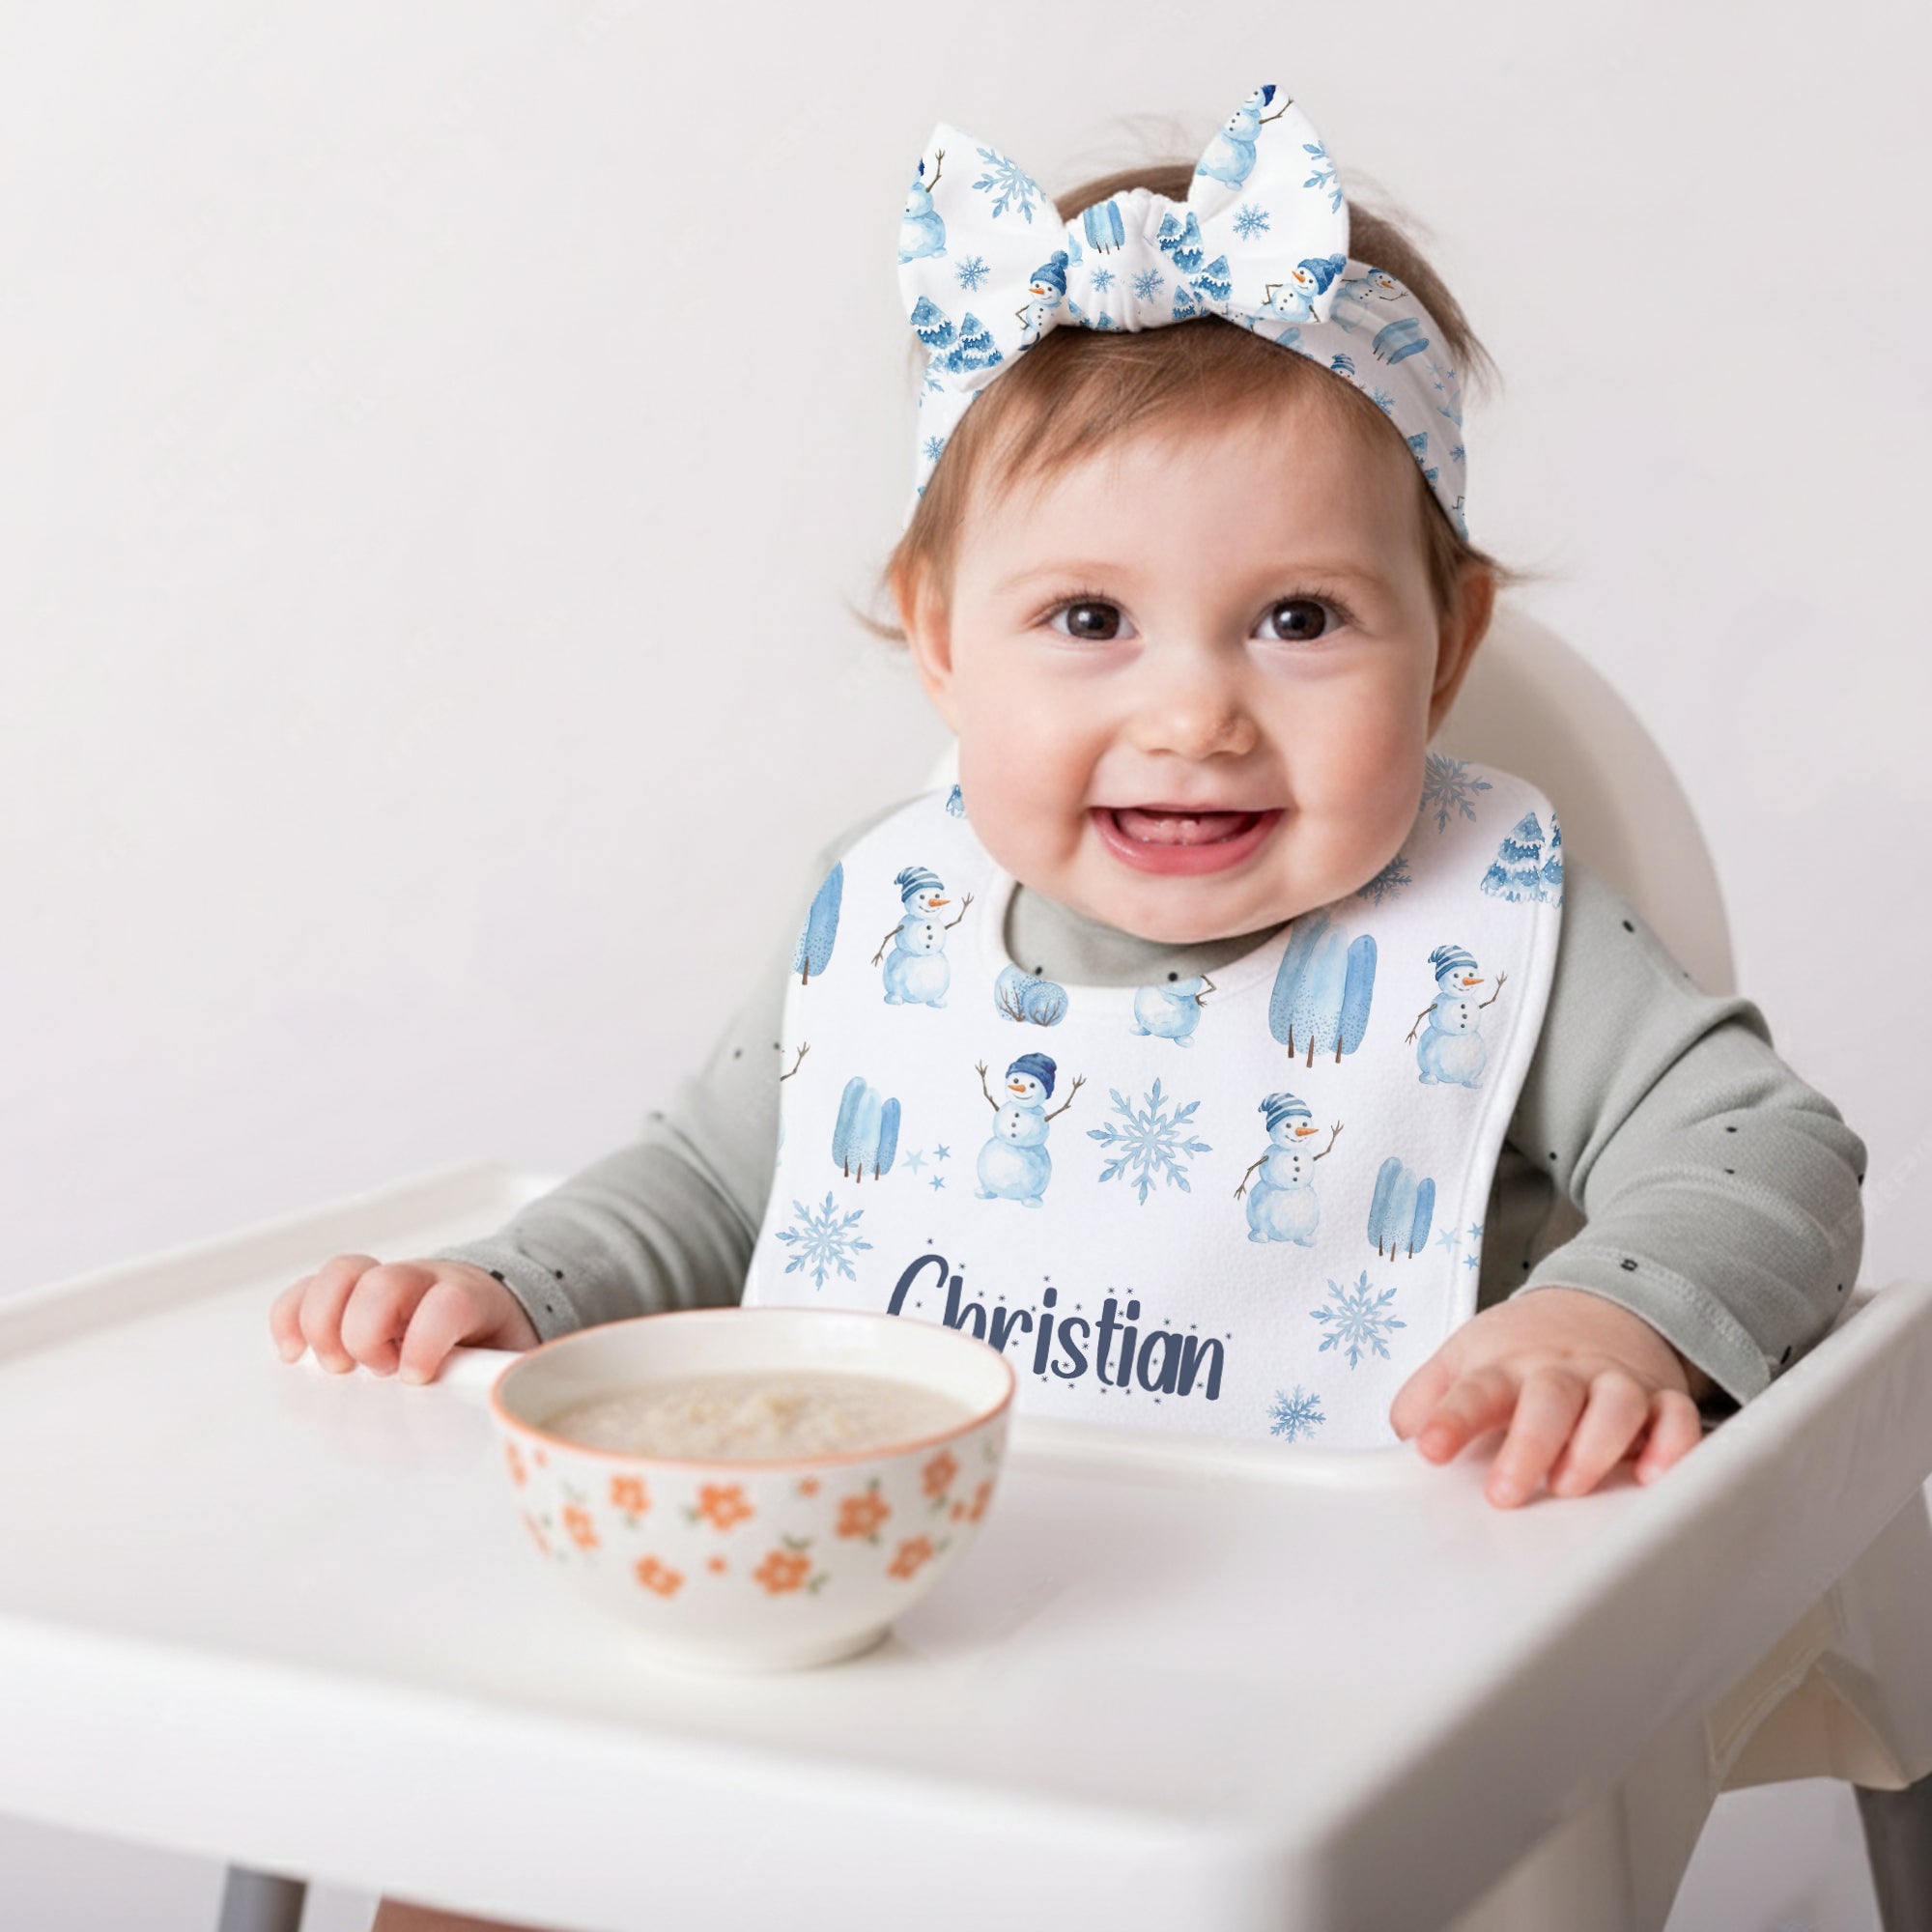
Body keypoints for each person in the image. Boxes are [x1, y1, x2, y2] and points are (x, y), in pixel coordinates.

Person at [269, 83, 1866, 1932]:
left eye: (1299, 620)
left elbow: (1770, 1151)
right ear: (941, 638)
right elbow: (707, 1191)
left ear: (1453, 641)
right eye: (1091, 619)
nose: (1195, 713)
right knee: (475, 1860)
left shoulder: (1490, 932)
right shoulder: (892, 916)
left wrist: (1604, 1323)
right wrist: (511, 1289)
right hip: (877, 1625)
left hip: (1288, 1711)